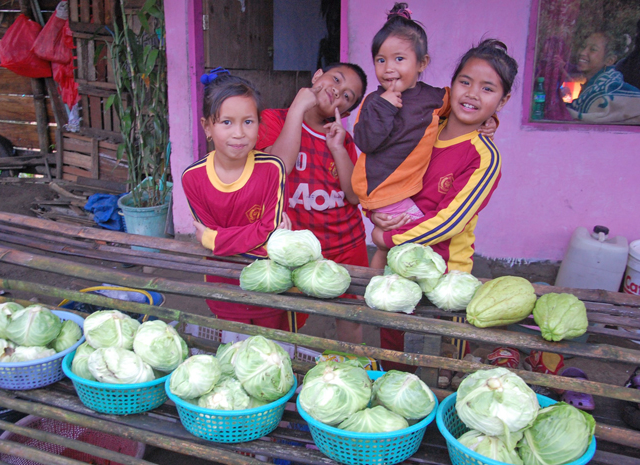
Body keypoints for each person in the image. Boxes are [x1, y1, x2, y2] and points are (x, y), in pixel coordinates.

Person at [372, 39, 518, 374]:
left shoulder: (484, 156)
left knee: (439, 366)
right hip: (400, 266)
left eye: (487, 88)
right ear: (450, 85)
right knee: (393, 358)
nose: (472, 94)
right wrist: (376, 211)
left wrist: (388, 239)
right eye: (465, 82)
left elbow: (449, 221)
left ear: (503, 99)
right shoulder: (423, 129)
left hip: (445, 278)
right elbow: (382, 173)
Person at [352, 3, 497, 270]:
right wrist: (385, 106)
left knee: (390, 247)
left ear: (422, 63)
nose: (388, 68)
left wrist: (490, 119)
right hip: (382, 188)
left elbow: (460, 104)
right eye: (380, 60)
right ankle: (373, 291)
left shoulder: (433, 98)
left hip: (401, 190)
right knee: (407, 247)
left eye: (399, 59)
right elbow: (366, 142)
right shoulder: (374, 102)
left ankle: (376, 285)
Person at [256, 62, 369, 344]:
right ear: (317, 75)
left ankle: (349, 366)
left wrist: (337, 148)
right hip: (295, 247)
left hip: (345, 243)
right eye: (336, 80)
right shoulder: (274, 119)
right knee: (286, 317)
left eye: (347, 97)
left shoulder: (343, 140)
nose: (337, 92)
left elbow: (354, 196)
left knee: (351, 318)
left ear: (344, 112)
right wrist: (297, 109)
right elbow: (278, 167)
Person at [181, 70, 298, 332]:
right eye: (226, 123)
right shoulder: (193, 178)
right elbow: (267, 233)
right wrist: (261, 236)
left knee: (274, 354)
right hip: (223, 285)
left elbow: (266, 235)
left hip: (271, 286)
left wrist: (216, 240)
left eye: (248, 122)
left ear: (259, 124)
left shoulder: (272, 169)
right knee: (235, 354)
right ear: (207, 127)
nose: (239, 133)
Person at [567, 31, 640, 124]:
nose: (582, 52)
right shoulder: (590, 87)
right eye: (582, 47)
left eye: (593, 49)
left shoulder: (609, 88)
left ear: (609, 60)